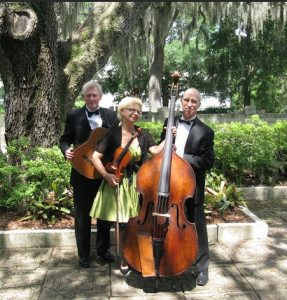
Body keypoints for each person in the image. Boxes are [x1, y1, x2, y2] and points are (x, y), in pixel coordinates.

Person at [89, 96, 171, 275]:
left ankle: (136, 254)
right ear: (122, 112)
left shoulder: (143, 133)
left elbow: (155, 151)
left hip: (138, 183)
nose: (136, 113)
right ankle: (125, 257)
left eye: (139, 111)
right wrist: (107, 175)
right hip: (117, 182)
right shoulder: (112, 133)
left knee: (136, 222)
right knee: (122, 223)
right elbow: (95, 157)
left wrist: (169, 137)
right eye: (131, 110)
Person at [159, 87, 215, 286]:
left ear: (199, 105)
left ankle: (202, 268)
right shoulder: (169, 122)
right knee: (170, 225)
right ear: (181, 101)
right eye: (186, 100)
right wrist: (168, 141)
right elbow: (160, 149)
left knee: (198, 227)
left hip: (192, 188)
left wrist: (182, 158)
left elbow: (208, 161)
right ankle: (171, 259)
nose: (189, 104)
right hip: (170, 185)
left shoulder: (206, 131)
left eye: (194, 101)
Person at [59, 80, 117, 268]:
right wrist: (66, 149)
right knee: (82, 216)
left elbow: (117, 139)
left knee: (104, 215)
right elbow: (65, 139)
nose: (92, 99)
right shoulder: (74, 115)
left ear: (100, 96)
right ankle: (83, 254)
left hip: (103, 173)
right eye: (88, 95)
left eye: (95, 95)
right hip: (81, 171)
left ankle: (103, 250)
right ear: (83, 97)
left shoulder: (110, 114)